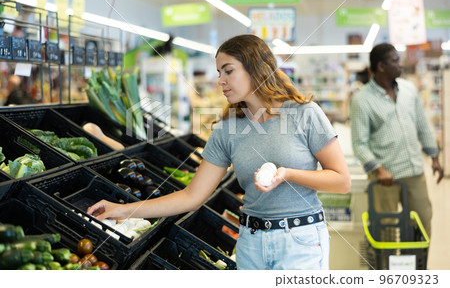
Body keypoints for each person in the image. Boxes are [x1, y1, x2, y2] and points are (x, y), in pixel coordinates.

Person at [87, 34, 351, 270]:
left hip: (300, 240)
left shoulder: (304, 114)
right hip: (251, 243)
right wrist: (125, 210)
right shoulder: (227, 130)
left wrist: (288, 174)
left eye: (228, 71)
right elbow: (192, 196)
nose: (220, 81)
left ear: (256, 68)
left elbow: (341, 181)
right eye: (218, 72)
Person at [350, 43, 443, 238]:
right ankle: (388, 267)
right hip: (385, 178)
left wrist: (434, 157)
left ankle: (418, 267)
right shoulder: (362, 100)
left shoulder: (409, 90)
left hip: (414, 171)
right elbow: (359, 143)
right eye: (395, 61)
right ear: (381, 66)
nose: (400, 64)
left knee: (423, 222)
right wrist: (379, 169)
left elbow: (422, 125)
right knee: (386, 229)